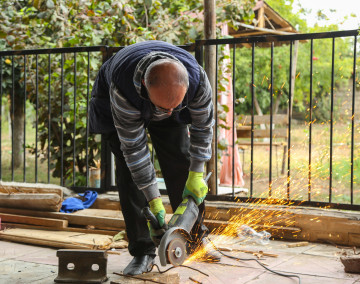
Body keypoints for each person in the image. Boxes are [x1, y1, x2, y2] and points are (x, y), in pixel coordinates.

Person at [89, 40, 220, 276]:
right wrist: (154, 201)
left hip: (163, 95)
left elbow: (203, 129)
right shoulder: (123, 90)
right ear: (143, 84)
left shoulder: (198, 82)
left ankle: (196, 237)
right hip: (121, 107)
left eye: (175, 106)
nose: (168, 113)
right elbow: (135, 150)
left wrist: (197, 173)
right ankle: (143, 251)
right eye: (164, 107)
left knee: (181, 162)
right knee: (130, 173)